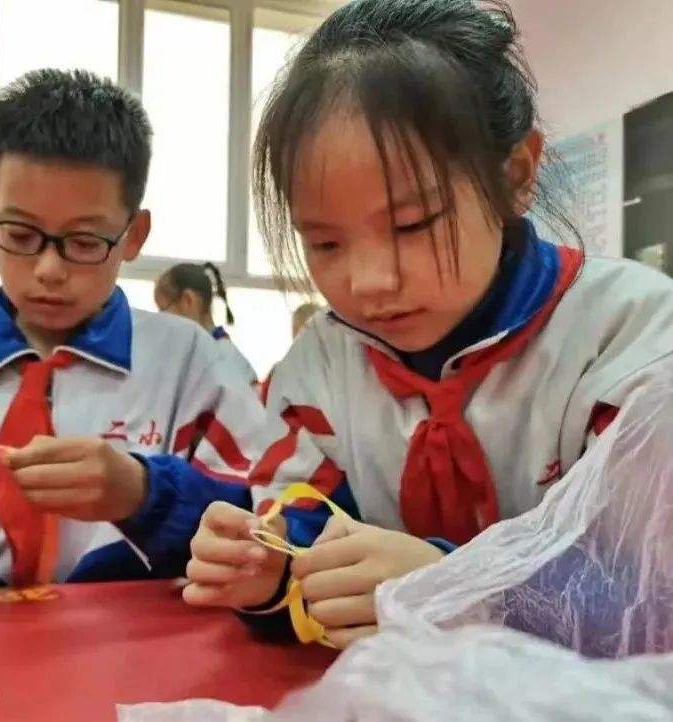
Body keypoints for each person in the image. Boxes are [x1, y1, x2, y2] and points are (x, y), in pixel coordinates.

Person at [182, 0, 673, 649]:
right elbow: (304, 520)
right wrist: (271, 570)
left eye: (411, 225)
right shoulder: (322, 364)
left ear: (515, 176)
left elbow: (649, 592)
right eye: (324, 243)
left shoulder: (629, 334)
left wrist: (456, 584)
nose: (368, 283)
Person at [0, 70, 305, 597]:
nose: (49, 270)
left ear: (133, 235)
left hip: (136, 646)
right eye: (20, 234)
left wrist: (146, 496)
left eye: (85, 242)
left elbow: (275, 535)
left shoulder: (188, 362)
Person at [154, 262, 257, 386]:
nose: (161, 320)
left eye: (163, 310)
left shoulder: (222, 359)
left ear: (188, 301)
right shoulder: (207, 353)